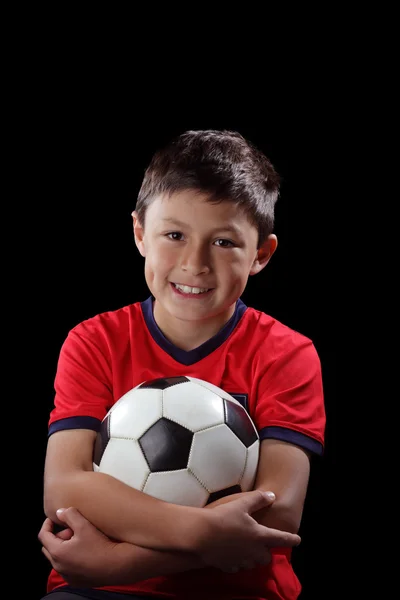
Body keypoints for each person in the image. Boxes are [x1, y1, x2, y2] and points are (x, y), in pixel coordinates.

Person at [38, 129, 326, 600]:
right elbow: (65, 486)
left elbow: (280, 512)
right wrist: (207, 533)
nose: (194, 264)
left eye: (224, 243)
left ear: (262, 254)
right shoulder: (94, 342)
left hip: (239, 591)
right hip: (96, 594)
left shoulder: (286, 353)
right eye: (174, 235)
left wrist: (118, 562)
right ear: (139, 234)